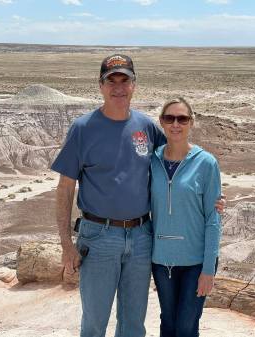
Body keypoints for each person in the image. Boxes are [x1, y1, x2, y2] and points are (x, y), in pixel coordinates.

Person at [51, 54, 166, 337]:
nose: (118, 87)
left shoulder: (146, 126)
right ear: (100, 86)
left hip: (141, 237)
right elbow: (65, 188)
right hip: (99, 237)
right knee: (94, 322)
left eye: (124, 80)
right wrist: (67, 244)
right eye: (110, 81)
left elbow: (174, 167)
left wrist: (208, 194)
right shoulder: (83, 129)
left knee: (133, 323)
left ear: (134, 85)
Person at [150, 97, 222, 337]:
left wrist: (209, 269)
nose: (175, 124)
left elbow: (213, 218)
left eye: (182, 118)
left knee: (186, 327)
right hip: (161, 261)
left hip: (195, 263)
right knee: (168, 323)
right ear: (161, 122)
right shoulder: (151, 162)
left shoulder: (206, 163)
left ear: (191, 122)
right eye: (169, 118)